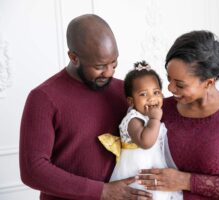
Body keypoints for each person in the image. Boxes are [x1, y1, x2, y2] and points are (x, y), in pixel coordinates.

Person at [19, 14, 152, 200]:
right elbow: (33, 170)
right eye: (100, 66)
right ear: (73, 57)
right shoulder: (42, 98)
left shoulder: (125, 92)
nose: (110, 72)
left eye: (114, 63)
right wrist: (102, 191)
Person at [137, 30, 219, 199]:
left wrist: (187, 181)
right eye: (169, 79)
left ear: (208, 82)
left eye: (180, 85)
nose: (170, 89)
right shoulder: (160, 110)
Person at [99, 61, 182, 200]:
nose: (151, 98)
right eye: (143, 94)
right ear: (131, 101)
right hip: (136, 173)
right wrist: (155, 120)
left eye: (156, 92)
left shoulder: (147, 115)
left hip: (151, 168)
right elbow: (146, 142)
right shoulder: (133, 119)